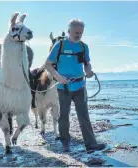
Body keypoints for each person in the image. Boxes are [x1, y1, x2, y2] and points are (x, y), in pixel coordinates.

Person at [44, 18, 106, 152]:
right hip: (63, 87)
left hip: (80, 87)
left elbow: (87, 64)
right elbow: (48, 64)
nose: (78, 35)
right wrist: (59, 77)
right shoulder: (59, 45)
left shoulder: (84, 47)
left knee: (84, 115)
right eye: (76, 32)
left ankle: (91, 144)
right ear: (68, 31)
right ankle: (65, 143)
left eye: (81, 33)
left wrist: (88, 72)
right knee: (64, 116)